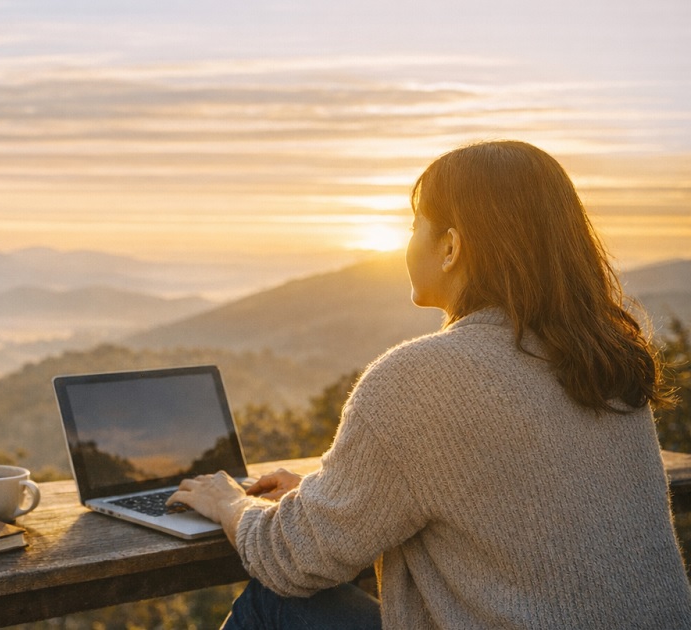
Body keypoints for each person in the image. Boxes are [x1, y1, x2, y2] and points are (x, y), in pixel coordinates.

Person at [169, 140, 691, 629]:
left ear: (450, 247)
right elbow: (513, 511)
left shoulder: (419, 379)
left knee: (274, 602)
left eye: (415, 225)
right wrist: (324, 497)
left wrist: (229, 503)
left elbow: (293, 559)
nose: (408, 242)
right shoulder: (604, 362)